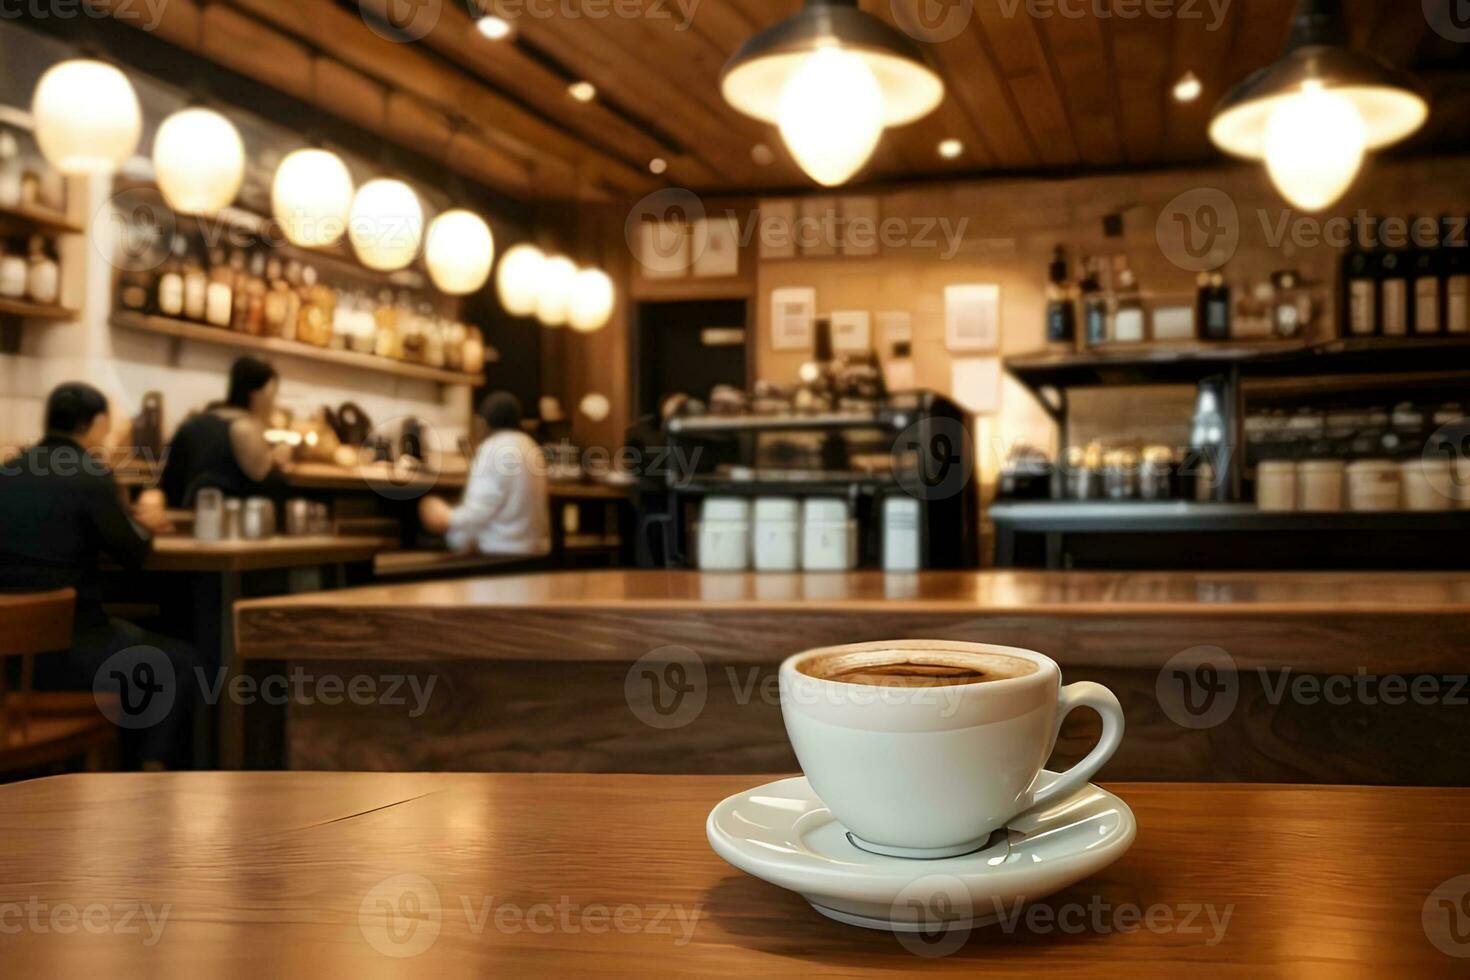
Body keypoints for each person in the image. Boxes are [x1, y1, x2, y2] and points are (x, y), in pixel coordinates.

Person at [0, 382, 196, 769]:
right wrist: (148, 523)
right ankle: (149, 777)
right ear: (99, 422)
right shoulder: (90, 475)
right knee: (181, 662)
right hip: (72, 657)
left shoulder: (6, 471)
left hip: (7, 667)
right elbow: (133, 552)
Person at [419, 392, 551, 556]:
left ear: (483, 422)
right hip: (533, 552)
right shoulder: (532, 447)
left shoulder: (493, 448)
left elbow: (478, 511)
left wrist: (446, 517)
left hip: (499, 553)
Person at [160, 356, 282, 507]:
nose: (274, 403)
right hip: (232, 520)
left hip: (184, 513)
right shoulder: (246, 428)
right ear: (254, 394)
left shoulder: (196, 422)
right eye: (272, 395)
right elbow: (262, 477)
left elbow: (168, 480)